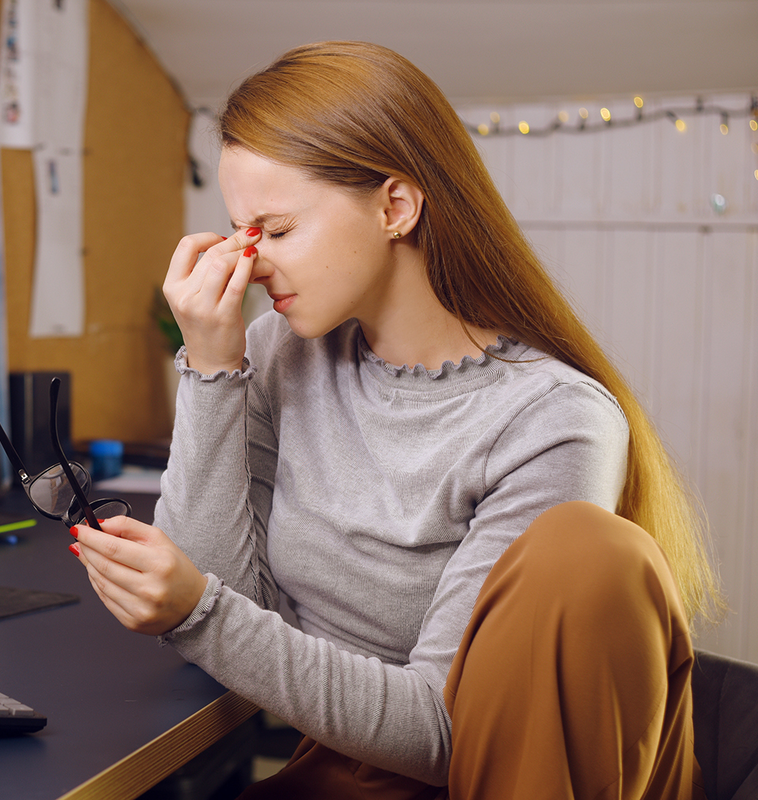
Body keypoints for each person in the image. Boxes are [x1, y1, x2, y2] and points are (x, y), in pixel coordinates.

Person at [67, 41, 722, 798]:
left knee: (587, 547)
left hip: (468, 777)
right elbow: (222, 604)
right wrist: (212, 365)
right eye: (242, 233)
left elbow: (443, 734)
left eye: (276, 231)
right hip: (337, 768)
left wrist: (196, 612)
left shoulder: (552, 422)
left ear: (396, 207)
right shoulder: (284, 350)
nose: (251, 263)